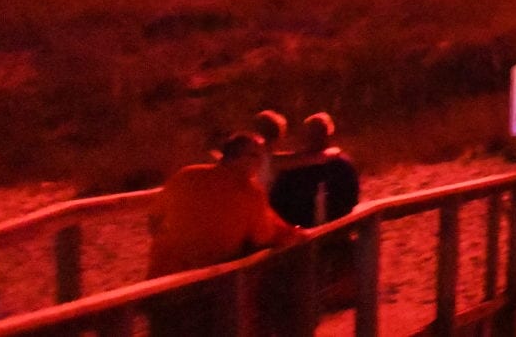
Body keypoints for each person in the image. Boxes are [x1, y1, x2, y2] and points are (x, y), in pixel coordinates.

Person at [148, 133, 300, 276]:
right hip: (203, 280)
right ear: (235, 157)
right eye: (255, 156)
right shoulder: (250, 192)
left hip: (161, 274)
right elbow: (262, 237)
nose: (261, 162)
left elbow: (154, 219)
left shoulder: (186, 174)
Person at [268, 113, 361, 228]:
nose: (314, 138)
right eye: (312, 134)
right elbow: (278, 201)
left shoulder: (341, 166)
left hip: (335, 229)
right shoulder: (293, 166)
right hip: (302, 231)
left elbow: (350, 198)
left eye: (318, 134)